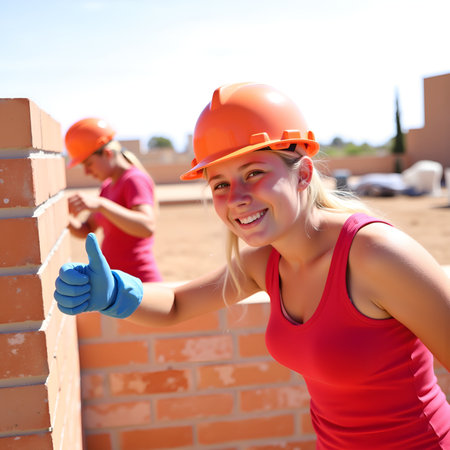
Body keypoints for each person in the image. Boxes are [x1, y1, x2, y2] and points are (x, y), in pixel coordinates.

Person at [55, 83, 449, 448]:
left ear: (304, 174)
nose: (236, 197)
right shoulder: (265, 262)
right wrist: (116, 294)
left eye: (254, 173)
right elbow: (176, 304)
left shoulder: (375, 254)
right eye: (220, 184)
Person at [64, 118, 162, 282]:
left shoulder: (134, 179)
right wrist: (62, 216)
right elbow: (86, 229)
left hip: (140, 282)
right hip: (119, 283)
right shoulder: (107, 186)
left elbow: (147, 226)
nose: (87, 172)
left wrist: (102, 205)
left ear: (107, 153)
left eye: (88, 164)